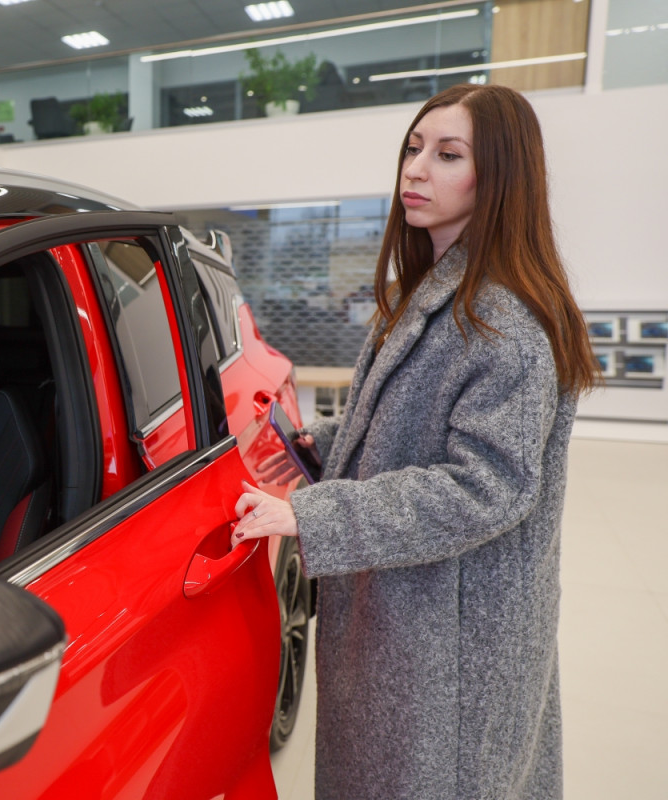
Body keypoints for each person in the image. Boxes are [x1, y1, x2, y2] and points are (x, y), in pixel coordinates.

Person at [231, 83, 599, 800]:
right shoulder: (425, 294)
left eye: (448, 154)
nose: (416, 169)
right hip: (412, 627)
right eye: (413, 147)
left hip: (450, 650)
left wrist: (313, 513)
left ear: (500, 176)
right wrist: (318, 446)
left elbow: (485, 488)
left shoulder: (506, 323)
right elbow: (402, 424)